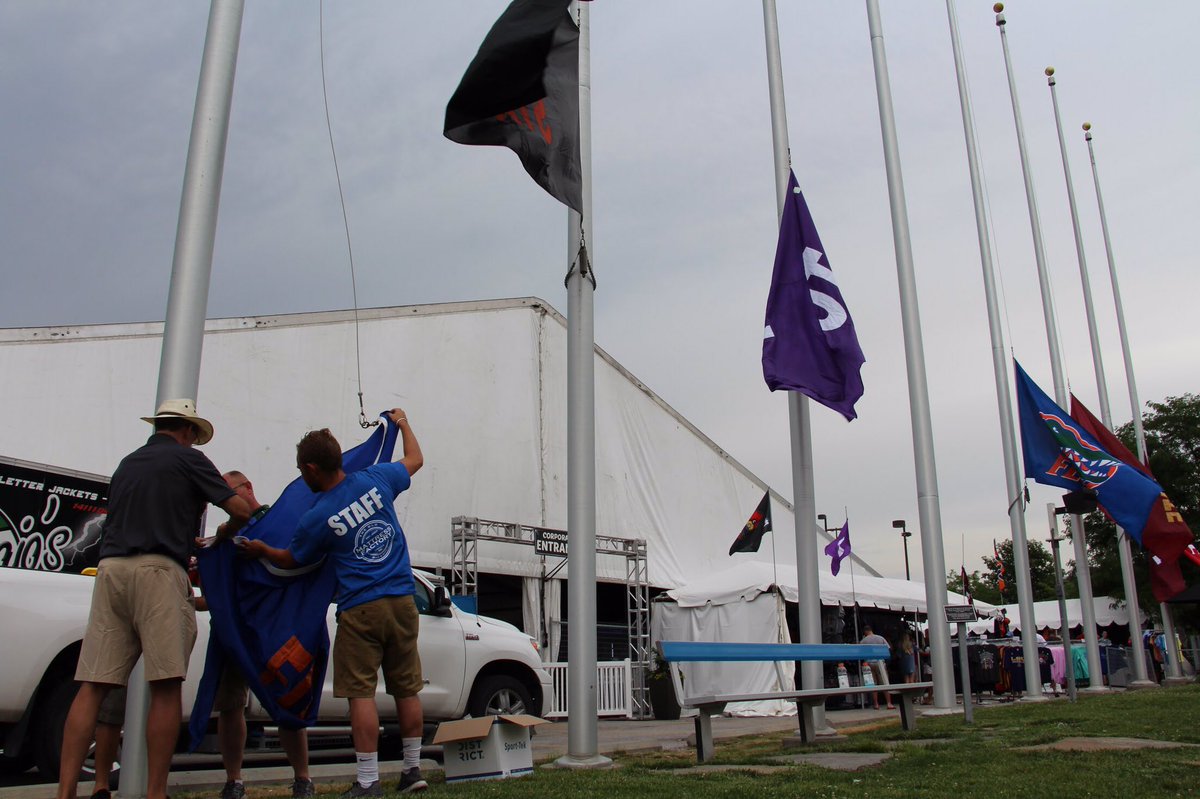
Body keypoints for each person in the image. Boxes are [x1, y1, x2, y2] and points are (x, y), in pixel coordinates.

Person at [56, 399, 251, 799]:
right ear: (188, 431)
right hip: (159, 571)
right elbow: (241, 510)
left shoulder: (127, 463)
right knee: (165, 685)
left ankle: (64, 792)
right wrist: (225, 533)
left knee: (92, 684)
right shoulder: (189, 459)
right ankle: (155, 793)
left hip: (112, 571)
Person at [242, 409, 426, 796]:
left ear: (311, 468)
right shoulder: (376, 479)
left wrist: (262, 550)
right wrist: (404, 423)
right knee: (406, 689)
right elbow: (415, 460)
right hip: (403, 600)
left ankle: (368, 780)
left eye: (300, 469)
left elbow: (293, 560)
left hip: (361, 608)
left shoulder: (317, 516)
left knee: (360, 693)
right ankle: (412, 771)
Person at [208, 471, 314, 799]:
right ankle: (234, 780)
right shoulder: (225, 534)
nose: (227, 505)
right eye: (220, 500)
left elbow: (297, 562)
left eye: (230, 495)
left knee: (288, 702)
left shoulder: (277, 520)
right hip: (235, 630)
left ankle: (303, 778)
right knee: (230, 704)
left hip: (274, 628)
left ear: (247, 488)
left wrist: (262, 550)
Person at [859, 626, 894, 710]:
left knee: (873, 684)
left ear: (865, 632)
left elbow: (860, 653)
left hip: (869, 664)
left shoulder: (863, 641)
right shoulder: (880, 638)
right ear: (871, 630)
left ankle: (876, 704)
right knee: (885, 683)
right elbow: (888, 649)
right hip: (880, 663)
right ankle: (889, 703)